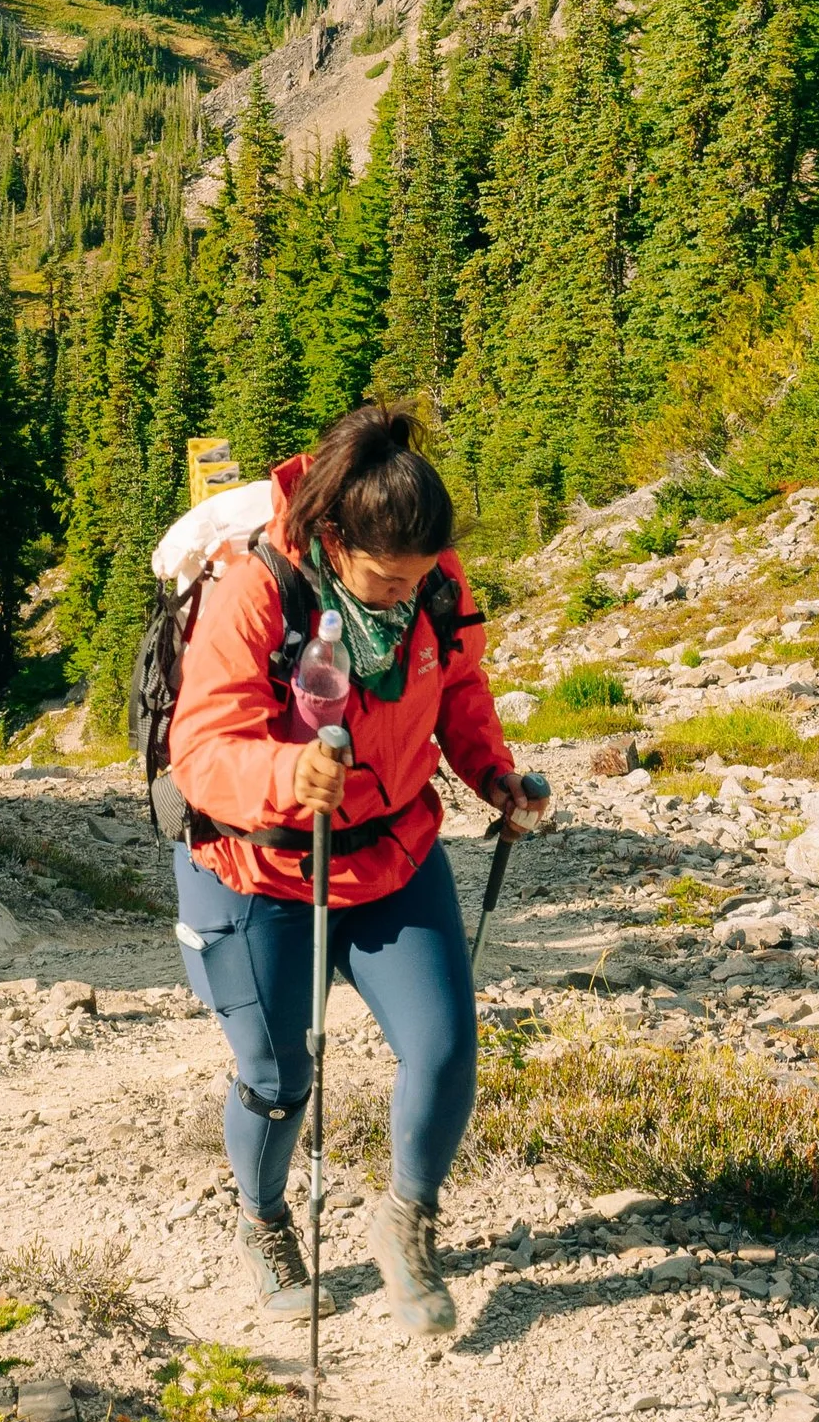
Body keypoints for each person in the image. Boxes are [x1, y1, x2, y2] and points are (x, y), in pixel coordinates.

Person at [165, 402, 549, 1331]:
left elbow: (456, 682)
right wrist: (288, 771)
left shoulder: (432, 577)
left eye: (419, 577)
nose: (402, 594)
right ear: (334, 540)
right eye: (385, 579)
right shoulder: (255, 590)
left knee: (447, 1048)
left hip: (392, 850)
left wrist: (491, 771)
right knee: (278, 1076)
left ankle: (405, 1222)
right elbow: (201, 750)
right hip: (256, 868)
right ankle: (263, 1223)